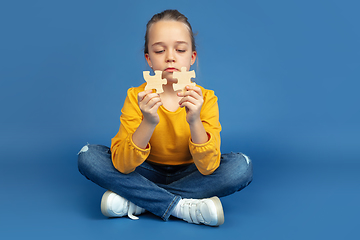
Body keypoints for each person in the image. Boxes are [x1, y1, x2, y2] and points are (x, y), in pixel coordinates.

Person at [78, 9, 253, 227]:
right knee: (88, 156)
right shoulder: (137, 96)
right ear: (149, 59)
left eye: (180, 49)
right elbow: (123, 166)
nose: (170, 56)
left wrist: (195, 120)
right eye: (160, 50)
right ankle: (183, 207)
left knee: (241, 166)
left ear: (192, 57)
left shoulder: (206, 99)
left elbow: (208, 167)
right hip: (144, 170)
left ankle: (140, 200)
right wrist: (148, 122)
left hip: (191, 173)